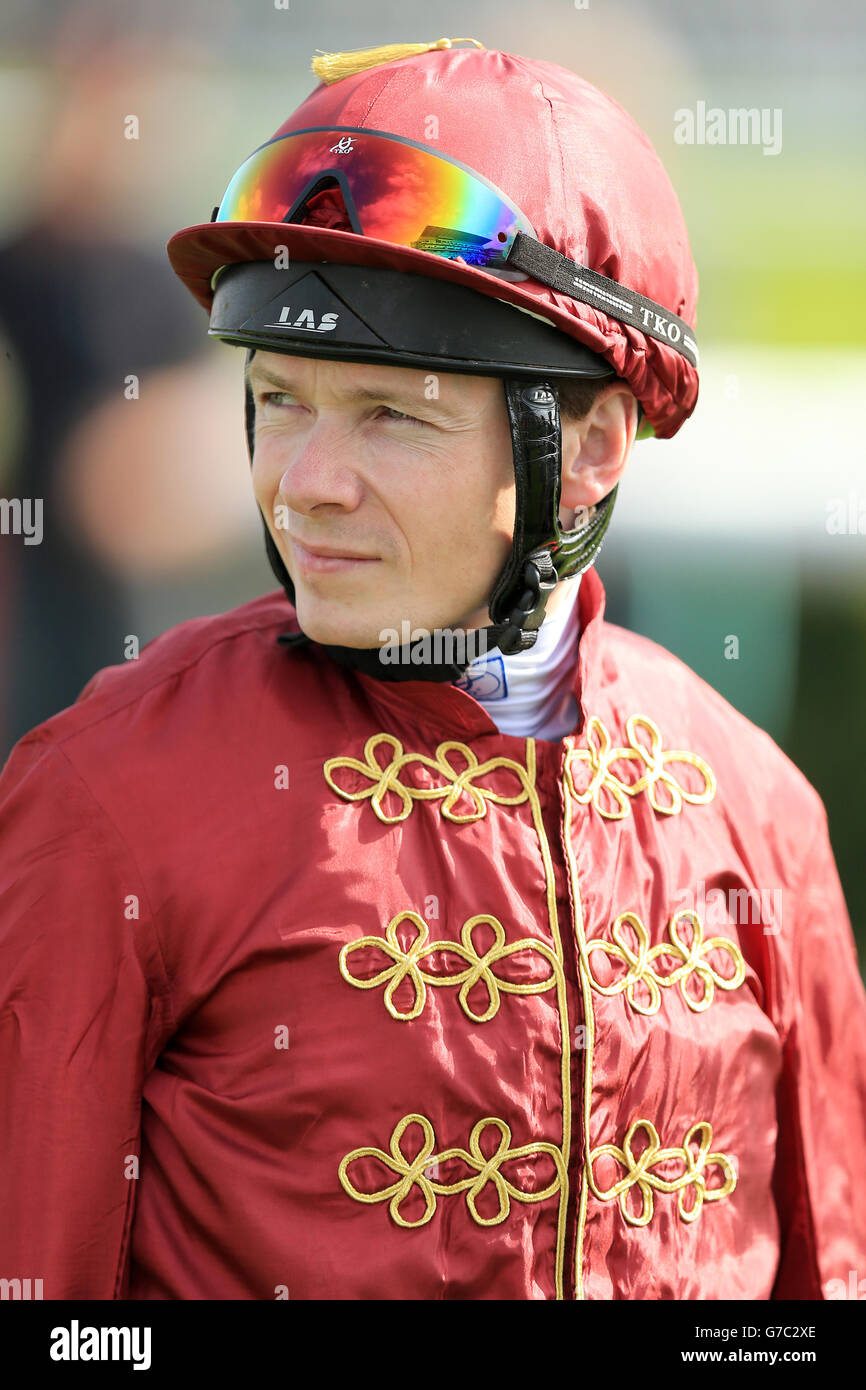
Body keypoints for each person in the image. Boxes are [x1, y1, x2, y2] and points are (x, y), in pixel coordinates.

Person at [1, 37, 864, 1302]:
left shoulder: (760, 808)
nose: (305, 485)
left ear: (590, 445)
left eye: (389, 416)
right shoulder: (101, 794)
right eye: (281, 399)